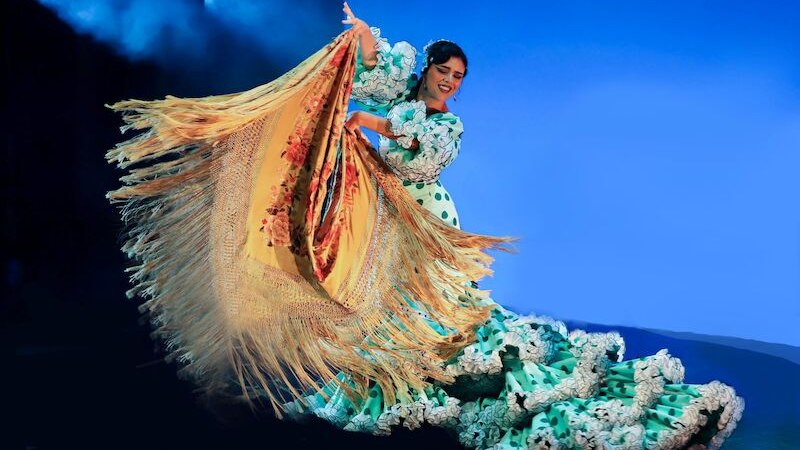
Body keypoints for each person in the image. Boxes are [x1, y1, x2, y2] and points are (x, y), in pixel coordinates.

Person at [106, 2, 743, 448]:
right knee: (365, 305)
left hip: (423, 221)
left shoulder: (444, 123)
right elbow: (379, 75)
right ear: (429, 69)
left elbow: (422, 152)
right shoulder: (405, 96)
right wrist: (363, 38)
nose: (451, 83)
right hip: (380, 212)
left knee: (437, 320)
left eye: (460, 78)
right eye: (445, 72)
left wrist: (371, 125)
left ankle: (465, 380)